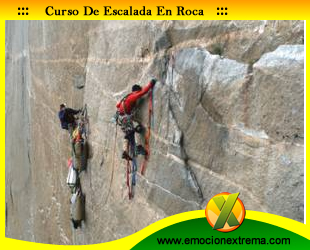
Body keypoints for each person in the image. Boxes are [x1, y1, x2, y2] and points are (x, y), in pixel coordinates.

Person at [115, 79, 156, 160]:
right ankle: (137, 149)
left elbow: (118, 105)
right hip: (125, 118)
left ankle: (125, 151)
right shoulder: (133, 96)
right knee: (135, 130)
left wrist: (127, 107)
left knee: (128, 134)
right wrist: (151, 84)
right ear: (136, 91)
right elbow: (143, 92)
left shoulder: (126, 97)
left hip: (121, 118)